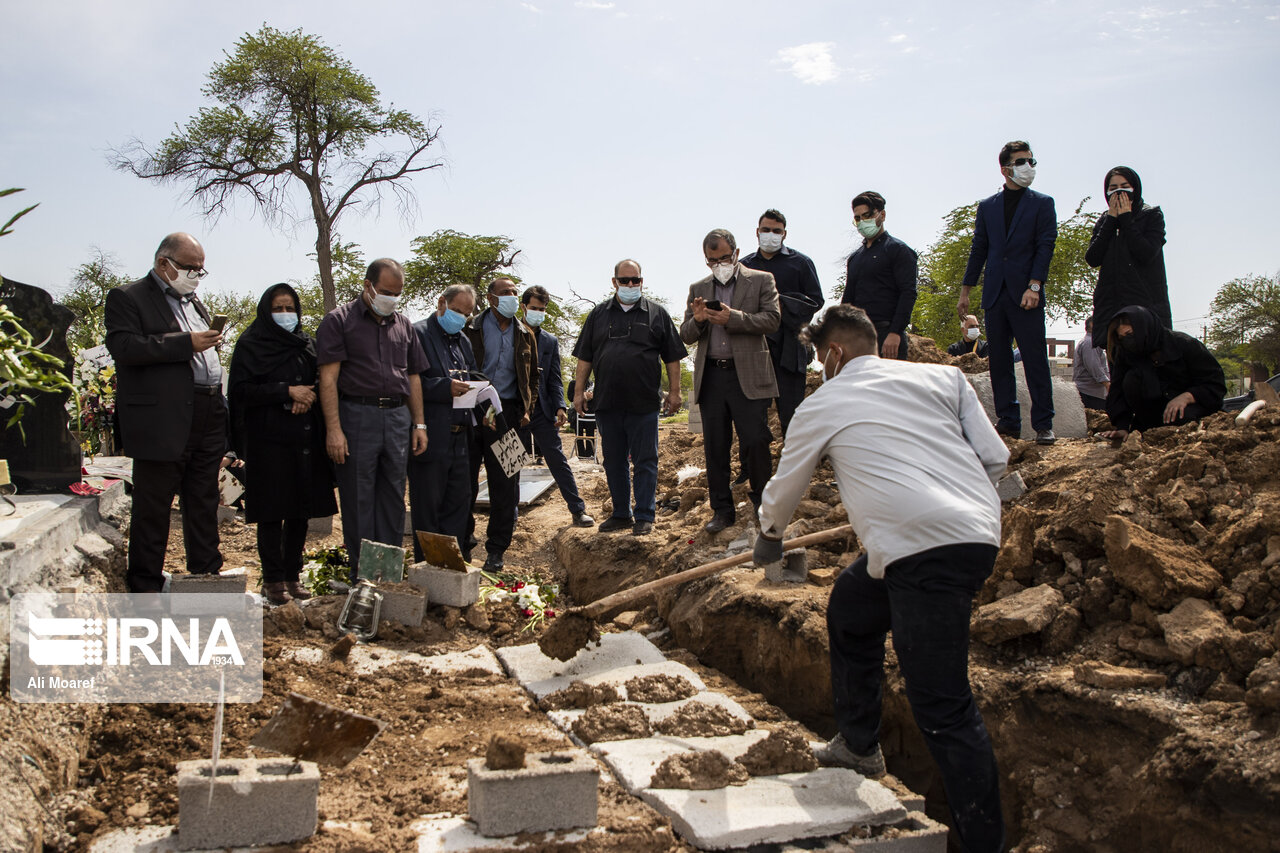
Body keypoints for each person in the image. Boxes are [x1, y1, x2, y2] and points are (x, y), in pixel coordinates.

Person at [754, 304, 1008, 853]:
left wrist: (770, 532)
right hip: (974, 534)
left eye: (821, 358)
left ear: (835, 354)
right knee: (851, 606)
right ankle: (859, 745)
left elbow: (787, 481)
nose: (821, 368)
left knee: (942, 703)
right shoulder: (946, 378)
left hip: (926, 554)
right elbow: (994, 458)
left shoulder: (825, 401)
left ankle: (982, 843)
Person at [105, 232, 228, 593]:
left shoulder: (194, 303)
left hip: (206, 412)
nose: (195, 275)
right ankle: (145, 585)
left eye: (200, 270)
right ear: (164, 264)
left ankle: (206, 576)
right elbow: (124, 346)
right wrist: (186, 343)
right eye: (190, 268)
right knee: (154, 506)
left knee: (203, 499)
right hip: (163, 419)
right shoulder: (129, 297)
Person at [316, 258, 428, 581]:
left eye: (397, 293)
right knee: (358, 497)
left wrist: (418, 423)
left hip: (396, 417)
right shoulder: (339, 322)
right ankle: (363, 576)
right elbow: (328, 380)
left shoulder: (403, 325)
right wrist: (334, 430)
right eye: (386, 292)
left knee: (394, 498)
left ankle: (388, 574)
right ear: (368, 286)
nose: (391, 299)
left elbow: (413, 377)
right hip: (356, 415)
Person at [229, 283, 336, 605]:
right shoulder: (251, 345)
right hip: (269, 441)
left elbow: (322, 379)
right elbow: (242, 391)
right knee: (272, 513)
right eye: (279, 308)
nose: (286, 314)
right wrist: (287, 392)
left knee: (300, 512)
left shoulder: (307, 344)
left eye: (290, 308)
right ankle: (273, 580)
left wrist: (308, 395)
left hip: (305, 439)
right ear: (266, 310)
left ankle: (293, 574)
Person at [573, 260, 686, 536]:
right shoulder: (598, 315)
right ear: (614, 282)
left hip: (644, 402)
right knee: (613, 460)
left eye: (636, 280)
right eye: (625, 281)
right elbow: (585, 357)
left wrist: (674, 391)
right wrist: (578, 392)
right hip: (607, 402)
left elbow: (672, 357)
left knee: (646, 459)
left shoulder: (656, 314)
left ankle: (645, 515)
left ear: (642, 281)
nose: (631, 285)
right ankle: (622, 514)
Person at [680, 229, 780, 534]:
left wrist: (733, 318)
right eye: (713, 260)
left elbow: (773, 320)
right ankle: (722, 511)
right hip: (712, 377)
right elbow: (685, 335)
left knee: (756, 441)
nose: (719, 264)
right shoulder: (698, 287)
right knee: (715, 447)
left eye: (724, 258)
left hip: (748, 375)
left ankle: (763, 505)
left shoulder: (761, 280)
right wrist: (698, 320)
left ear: (735, 253)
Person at [959, 140, 1058, 445]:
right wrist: (966, 291)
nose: (1028, 167)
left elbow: (1045, 246)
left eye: (1031, 161)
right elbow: (980, 249)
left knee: (1034, 358)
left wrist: (1034, 285)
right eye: (1020, 162)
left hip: (1026, 293)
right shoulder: (988, 207)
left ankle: (1043, 424)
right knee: (1000, 360)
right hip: (996, 293)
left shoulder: (1042, 203)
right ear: (1005, 169)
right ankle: (1008, 420)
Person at [464, 276, 538, 571]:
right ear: (491, 298)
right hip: (470, 410)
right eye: (505, 292)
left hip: (507, 413)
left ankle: (496, 550)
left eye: (514, 292)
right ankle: (464, 540)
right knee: (464, 480)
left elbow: (533, 377)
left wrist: (527, 409)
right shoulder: (472, 328)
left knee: (507, 484)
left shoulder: (525, 333)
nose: (511, 296)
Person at [408, 285, 482, 562]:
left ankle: (452, 566)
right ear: (441, 303)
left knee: (459, 503)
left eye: (466, 314)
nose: (461, 318)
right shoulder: (417, 334)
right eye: (456, 311)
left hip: (461, 436)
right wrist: (444, 388)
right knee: (428, 507)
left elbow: (471, 375)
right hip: (429, 435)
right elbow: (409, 383)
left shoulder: (463, 341)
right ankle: (427, 567)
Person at [739, 209, 823, 435]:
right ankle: (753, 469)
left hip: (791, 347)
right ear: (757, 232)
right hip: (755, 349)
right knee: (753, 416)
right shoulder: (744, 267)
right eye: (766, 230)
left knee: (791, 413)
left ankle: (795, 467)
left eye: (776, 231)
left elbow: (816, 301)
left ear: (784, 234)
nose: (771, 235)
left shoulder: (801, 263)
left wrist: (783, 306)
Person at [519, 285, 594, 528]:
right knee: (510, 462)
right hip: (514, 411)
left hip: (542, 410)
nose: (538, 313)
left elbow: (554, 377)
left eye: (542, 309)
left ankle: (577, 509)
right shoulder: (510, 334)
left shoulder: (549, 341)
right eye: (533, 308)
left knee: (557, 460)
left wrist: (560, 406)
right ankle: (508, 514)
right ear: (523, 307)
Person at [1101, 305, 1225, 439]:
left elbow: (1215, 383)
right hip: (1150, 419)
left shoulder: (1184, 344)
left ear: (1144, 329)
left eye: (1130, 334)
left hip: (1190, 413)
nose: (1127, 341)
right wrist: (1123, 427)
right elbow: (1118, 392)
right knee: (1132, 377)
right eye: (1122, 337)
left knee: (1181, 417)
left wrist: (1187, 396)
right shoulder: (1127, 355)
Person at [1086, 166, 1170, 348]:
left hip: (1144, 304)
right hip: (1111, 304)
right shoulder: (1104, 221)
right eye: (1113, 188)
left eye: (1124, 186)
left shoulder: (1151, 215)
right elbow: (1092, 258)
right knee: (1116, 363)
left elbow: (1146, 253)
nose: (1119, 192)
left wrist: (1126, 219)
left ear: (1135, 188)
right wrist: (1111, 221)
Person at [841, 191, 917, 360]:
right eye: (858, 218)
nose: (862, 222)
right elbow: (847, 300)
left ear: (881, 215)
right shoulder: (855, 258)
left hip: (887, 336)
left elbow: (908, 293)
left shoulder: (898, 250)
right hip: (859, 339)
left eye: (867, 216)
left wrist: (895, 332)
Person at [1073, 316, 1110, 411]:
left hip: (1094, 392)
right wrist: (1107, 384)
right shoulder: (1089, 343)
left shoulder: (1092, 342)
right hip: (1089, 393)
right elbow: (1094, 366)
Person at [566, 378, 596, 458]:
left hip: (590, 414)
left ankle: (590, 453)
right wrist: (583, 395)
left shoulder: (591, 384)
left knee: (590, 434)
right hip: (576, 414)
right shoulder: (573, 383)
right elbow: (570, 397)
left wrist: (591, 396)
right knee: (579, 435)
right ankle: (581, 454)